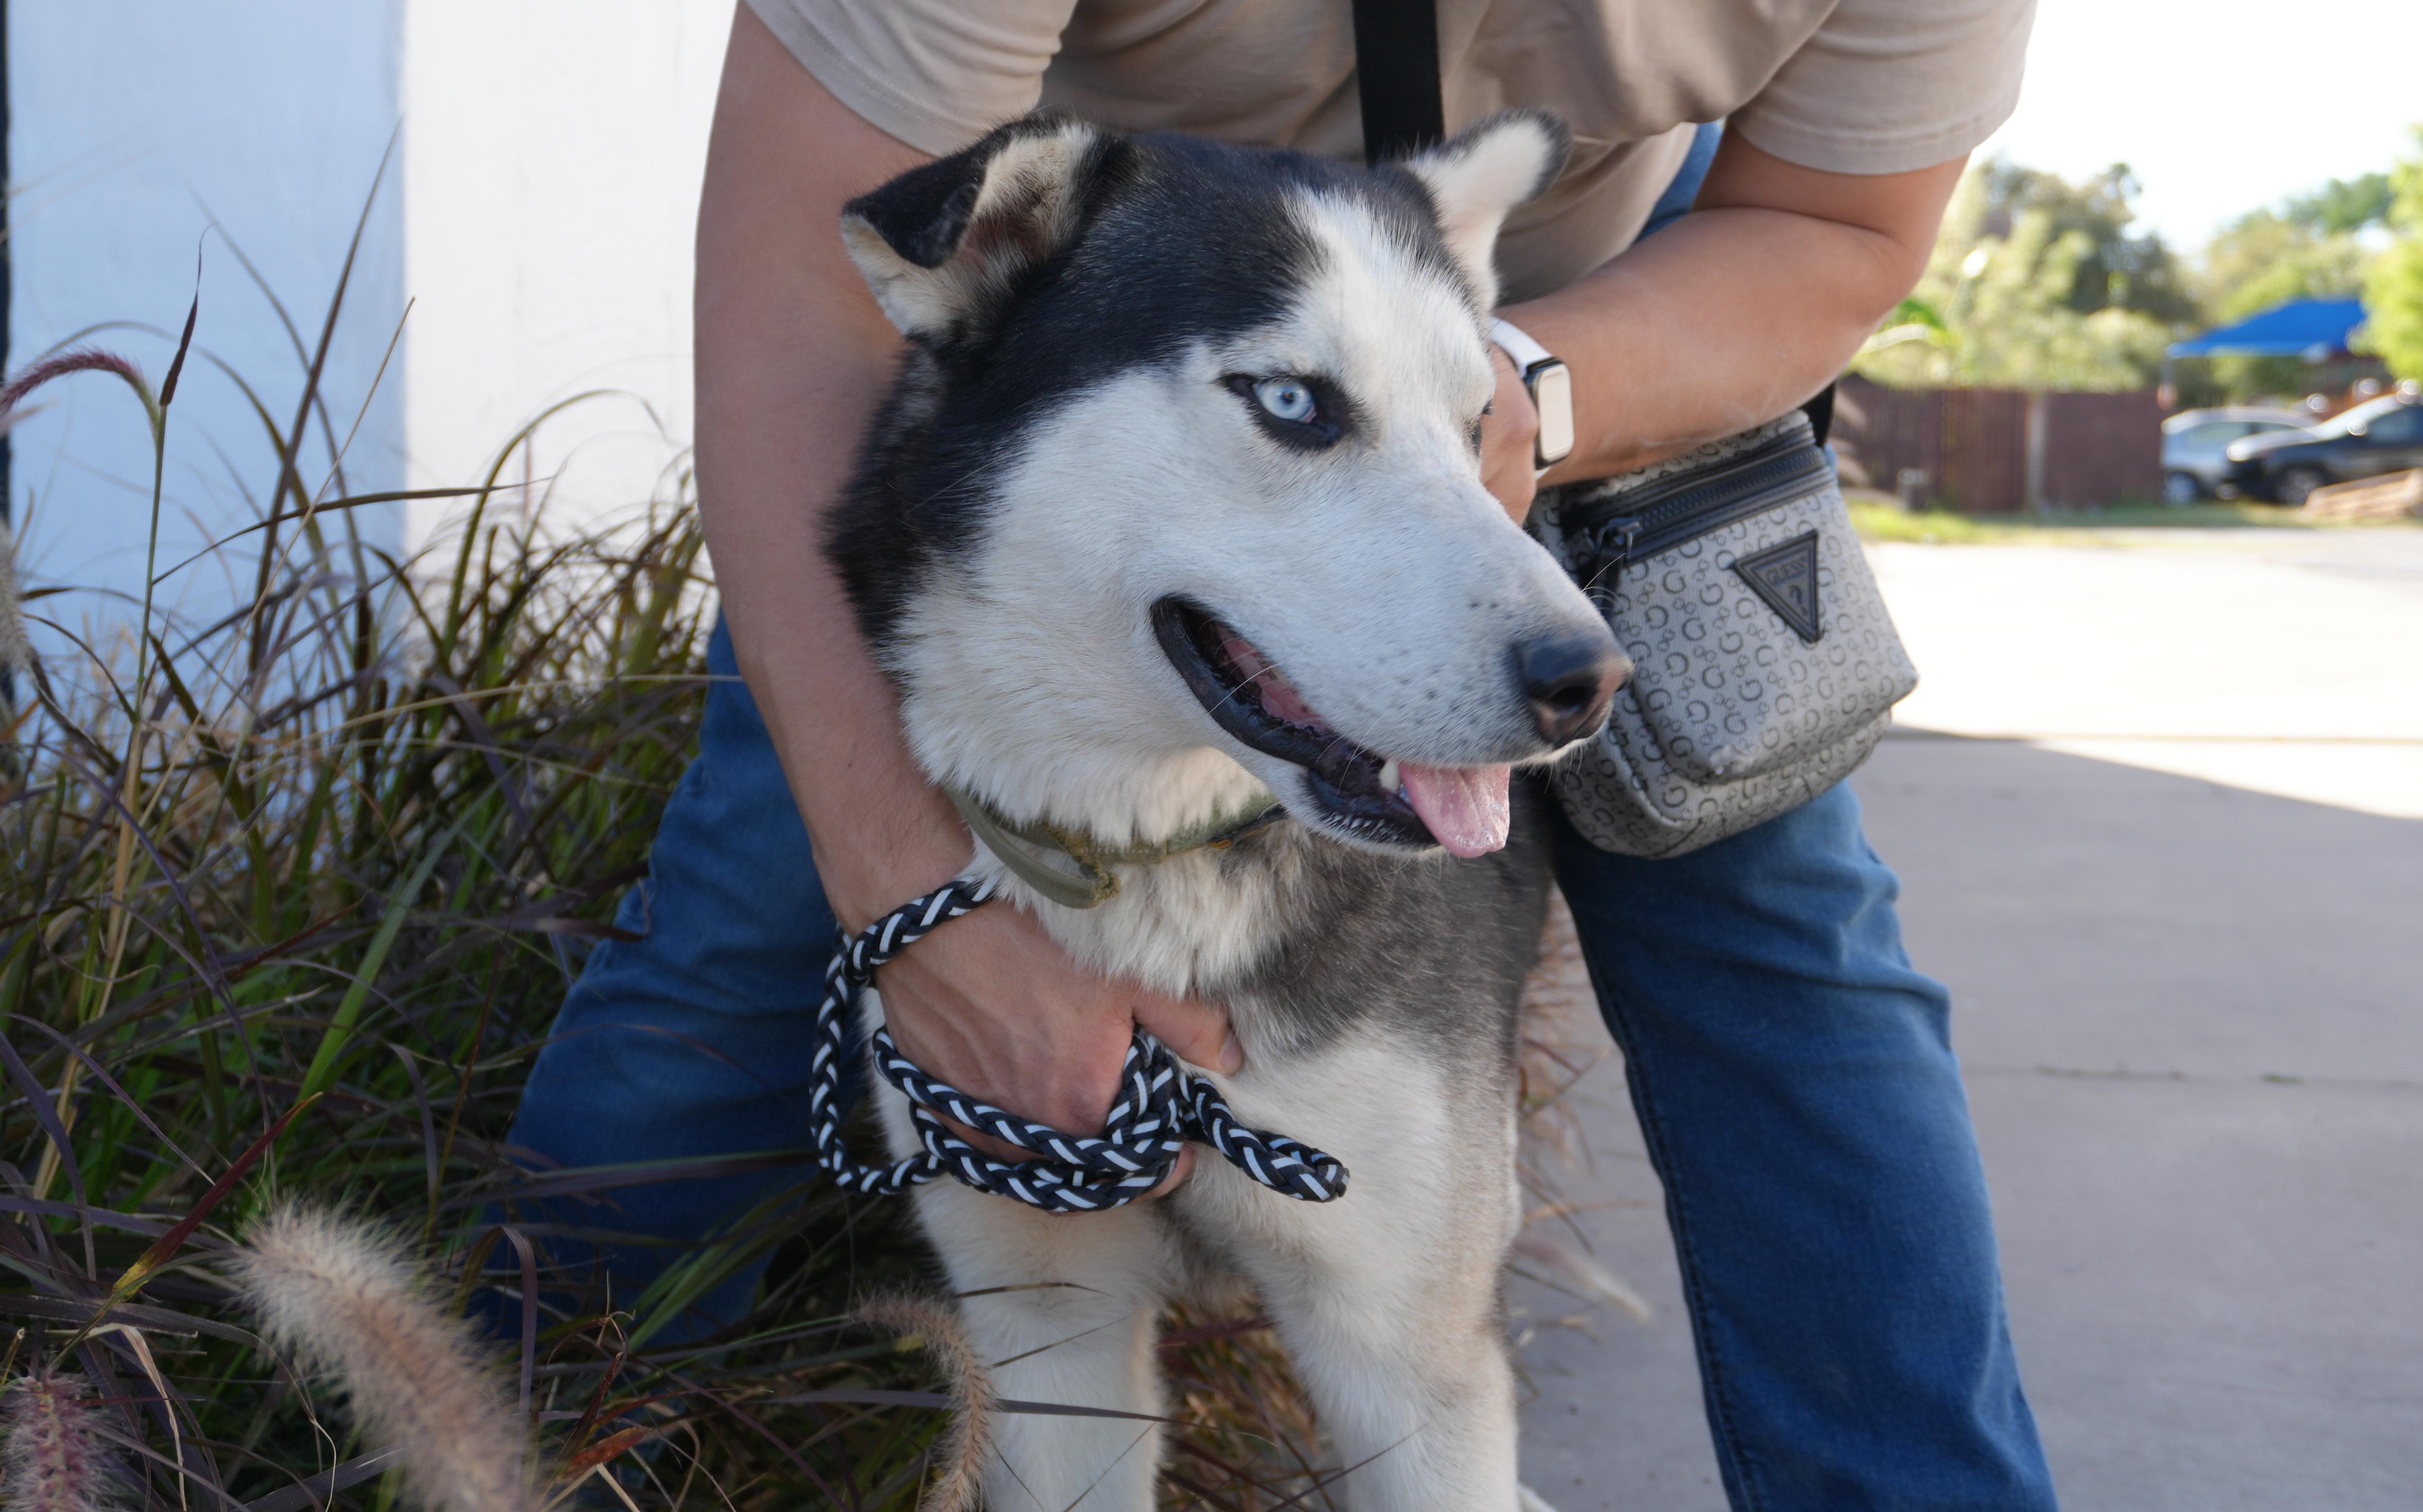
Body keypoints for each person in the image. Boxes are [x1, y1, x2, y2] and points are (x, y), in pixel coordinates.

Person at [508, 2, 2058, 1506]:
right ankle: (491, 1457)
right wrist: (922, 904)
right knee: (735, 947)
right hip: (1107, 332)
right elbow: (808, 289)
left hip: (1605, 323)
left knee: (1791, 968)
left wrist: (1515, 391)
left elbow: (1842, 230)